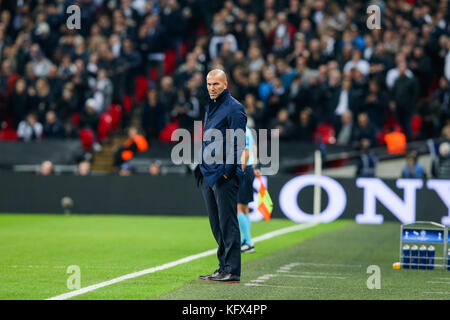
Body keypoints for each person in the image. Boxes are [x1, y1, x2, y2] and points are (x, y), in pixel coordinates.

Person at [195, 69, 247, 283]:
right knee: (217, 225)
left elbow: (238, 142)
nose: (211, 88)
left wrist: (227, 172)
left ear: (226, 84)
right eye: (209, 84)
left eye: (216, 84)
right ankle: (222, 267)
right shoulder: (212, 107)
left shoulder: (235, 108)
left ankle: (232, 270)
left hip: (223, 175)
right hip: (208, 173)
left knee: (227, 222)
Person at [237, 126, 260, 253]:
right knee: (244, 208)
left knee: (238, 207)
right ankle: (245, 240)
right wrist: (254, 165)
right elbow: (254, 148)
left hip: (244, 169)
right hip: (249, 168)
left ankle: (248, 241)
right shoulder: (248, 130)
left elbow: (246, 151)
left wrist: (239, 170)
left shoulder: (240, 130)